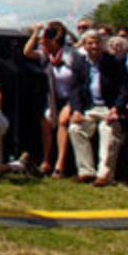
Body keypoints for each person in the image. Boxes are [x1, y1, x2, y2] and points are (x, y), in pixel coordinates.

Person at [68, 30, 128, 186]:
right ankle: (86, 172)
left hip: (109, 108)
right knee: (75, 129)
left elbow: (126, 88)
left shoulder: (113, 63)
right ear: (84, 45)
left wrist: (116, 108)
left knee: (108, 130)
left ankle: (104, 175)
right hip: (89, 107)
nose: (94, 46)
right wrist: (76, 110)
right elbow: (75, 89)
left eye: (97, 42)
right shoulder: (80, 63)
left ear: (102, 44)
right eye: (90, 43)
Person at [23, 21, 82, 177]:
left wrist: (74, 105)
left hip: (72, 97)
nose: (43, 43)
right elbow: (27, 52)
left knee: (63, 122)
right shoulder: (46, 55)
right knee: (46, 121)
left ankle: (60, 164)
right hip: (53, 99)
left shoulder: (72, 55)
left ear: (55, 41)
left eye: (46, 40)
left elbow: (80, 80)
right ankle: (46, 160)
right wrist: (36, 33)